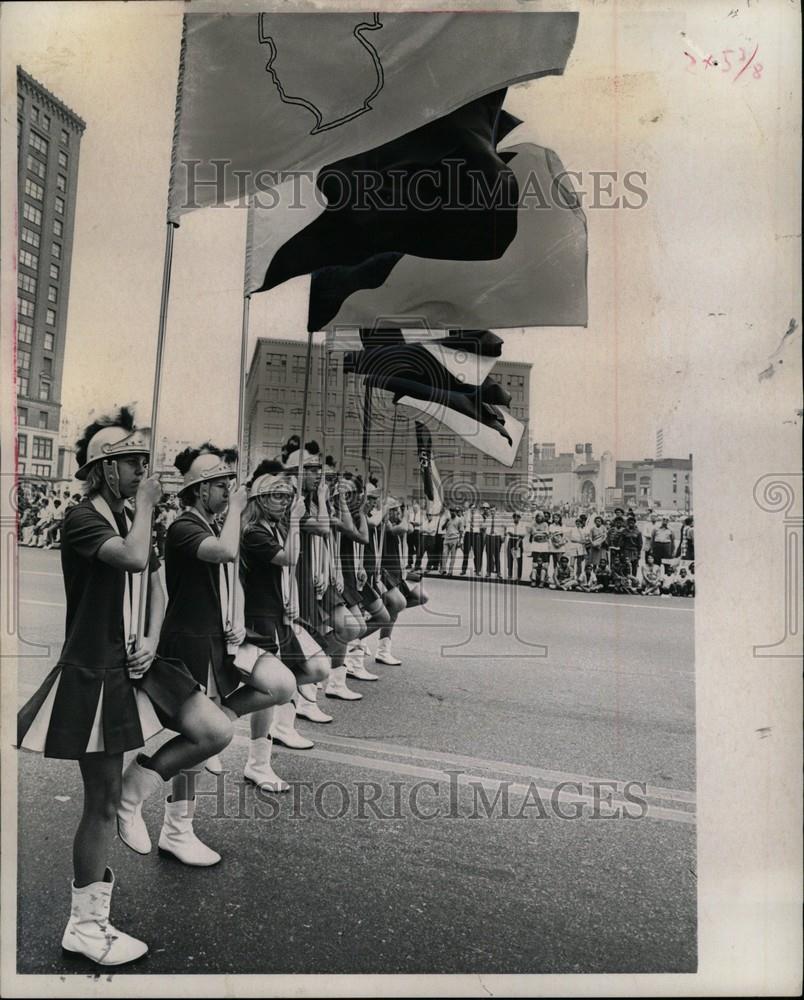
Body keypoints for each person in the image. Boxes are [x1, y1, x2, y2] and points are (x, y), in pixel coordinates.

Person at [17, 409, 231, 966]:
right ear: (105, 469)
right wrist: (150, 510)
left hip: (140, 660)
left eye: (142, 461)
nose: (143, 469)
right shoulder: (84, 519)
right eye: (132, 462)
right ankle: (85, 925)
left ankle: (144, 783)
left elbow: (154, 585)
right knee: (100, 802)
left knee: (214, 730)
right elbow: (134, 558)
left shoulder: (132, 514)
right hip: (97, 670)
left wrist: (153, 638)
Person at [154, 442, 284, 864]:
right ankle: (177, 829)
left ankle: (223, 719)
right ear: (196, 490)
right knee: (198, 746)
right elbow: (226, 553)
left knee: (279, 684)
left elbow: (234, 577)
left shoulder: (211, 524)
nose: (227, 488)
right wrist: (239, 509)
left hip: (221, 640)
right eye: (217, 483)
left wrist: (239, 615)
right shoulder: (184, 526)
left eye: (228, 482)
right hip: (190, 643)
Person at [238, 464, 331, 791]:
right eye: (277, 496)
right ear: (260, 499)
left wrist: (290, 597)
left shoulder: (274, 526)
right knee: (270, 692)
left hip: (278, 613)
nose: (285, 501)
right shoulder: (254, 532)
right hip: (258, 618)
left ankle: (276, 722)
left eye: (287, 495)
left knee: (317, 667)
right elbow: (290, 557)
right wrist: (294, 520)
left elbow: (289, 568)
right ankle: (257, 762)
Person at [528, 512, 550, 587]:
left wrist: (539, 533)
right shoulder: (533, 524)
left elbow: (547, 532)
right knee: (535, 561)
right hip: (536, 544)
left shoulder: (545, 524)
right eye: (538, 517)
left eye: (541, 517)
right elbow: (534, 533)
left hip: (544, 544)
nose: (539, 518)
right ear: (536, 517)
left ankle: (542, 580)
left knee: (544, 561)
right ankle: (533, 580)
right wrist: (541, 533)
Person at [441, 507, 464, 576]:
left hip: (454, 539)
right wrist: (446, 522)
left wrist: (460, 541)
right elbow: (442, 528)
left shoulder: (459, 520)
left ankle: (450, 571)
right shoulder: (447, 519)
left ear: (456, 512)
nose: (452, 512)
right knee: (444, 555)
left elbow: (461, 531)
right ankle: (444, 570)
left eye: (454, 511)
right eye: (451, 511)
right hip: (447, 538)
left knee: (452, 556)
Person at [505, 512, 526, 582]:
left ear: (520, 518)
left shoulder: (522, 525)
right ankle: (510, 575)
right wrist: (517, 534)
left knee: (519, 560)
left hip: (519, 542)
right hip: (511, 541)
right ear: (513, 517)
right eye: (515, 517)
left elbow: (523, 535)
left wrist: (518, 541)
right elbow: (509, 533)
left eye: (518, 517)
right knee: (510, 559)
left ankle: (519, 576)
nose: (516, 518)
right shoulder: (510, 524)